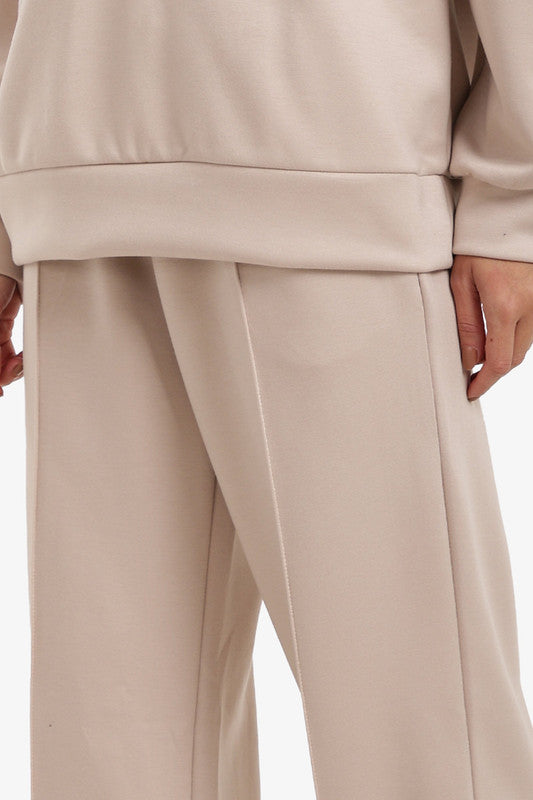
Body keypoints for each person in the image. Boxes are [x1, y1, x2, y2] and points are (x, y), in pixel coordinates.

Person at [1, 0, 533, 797]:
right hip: (71, 181)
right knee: (110, 735)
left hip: (339, 178)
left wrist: (515, 200)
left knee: (417, 730)